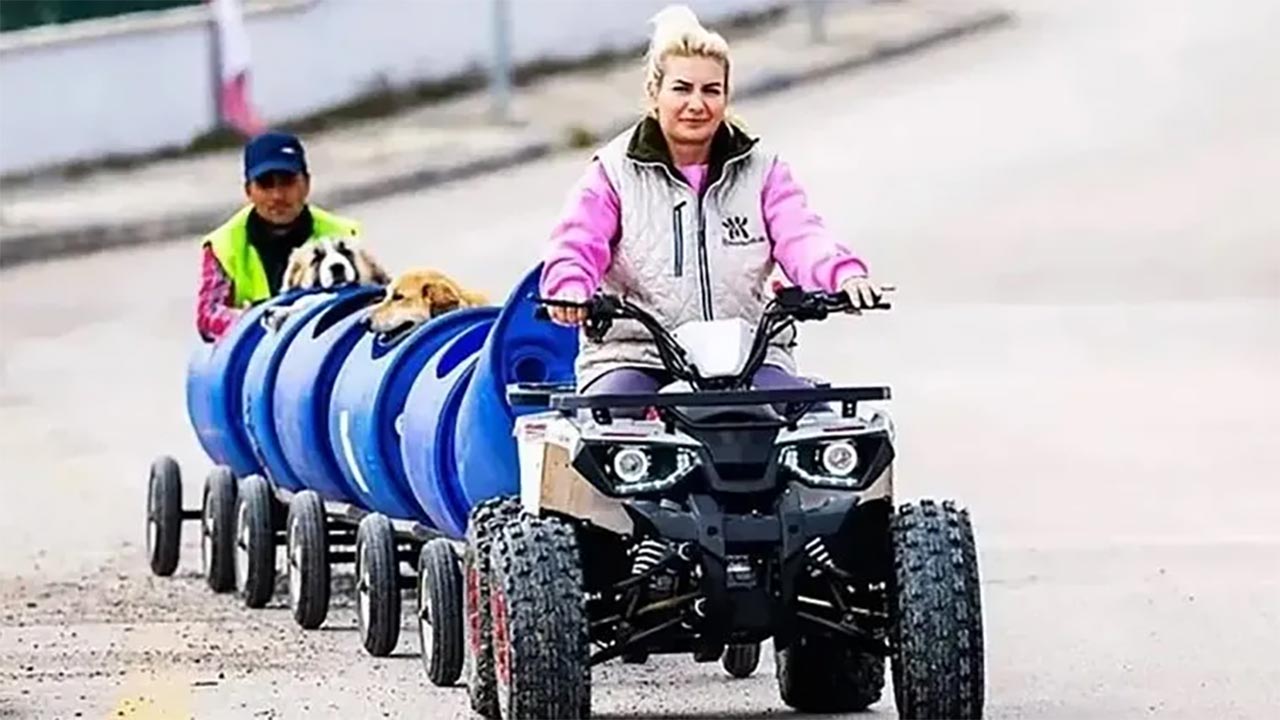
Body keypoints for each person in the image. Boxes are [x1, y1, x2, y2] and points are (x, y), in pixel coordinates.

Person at [539, 5, 884, 395]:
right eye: (682, 88)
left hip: (749, 356)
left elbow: (802, 236)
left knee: (815, 430)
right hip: (637, 354)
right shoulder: (613, 172)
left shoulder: (763, 171)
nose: (696, 104)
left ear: (726, 97)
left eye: (711, 90)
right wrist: (569, 288)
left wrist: (843, 275)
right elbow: (577, 242)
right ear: (654, 94)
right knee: (606, 425)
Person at [196, 130, 361, 341]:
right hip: (256, 355)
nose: (277, 195)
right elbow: (208, 316)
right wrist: (264, 321)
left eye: (287, 181)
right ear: (248, 191)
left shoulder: (343, 235)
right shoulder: (222, 245)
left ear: (307, 184)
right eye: (265, 184)